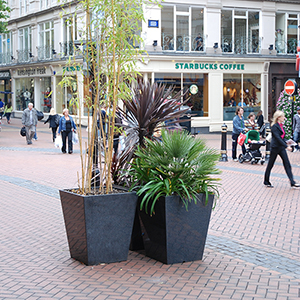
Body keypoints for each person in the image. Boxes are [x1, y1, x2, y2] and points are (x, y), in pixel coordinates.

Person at [263, 110, 300, 188]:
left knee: (287, 163)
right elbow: (277, 138)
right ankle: (266, 180)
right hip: (275, 147)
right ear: (279, 117)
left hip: (281, 147)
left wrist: (288, 141)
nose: (284, 118)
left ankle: (292, 182)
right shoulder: (274, 127)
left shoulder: (281, 126)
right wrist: (287, 146)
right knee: (270, 164)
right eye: (283, 116)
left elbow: (282, 137)